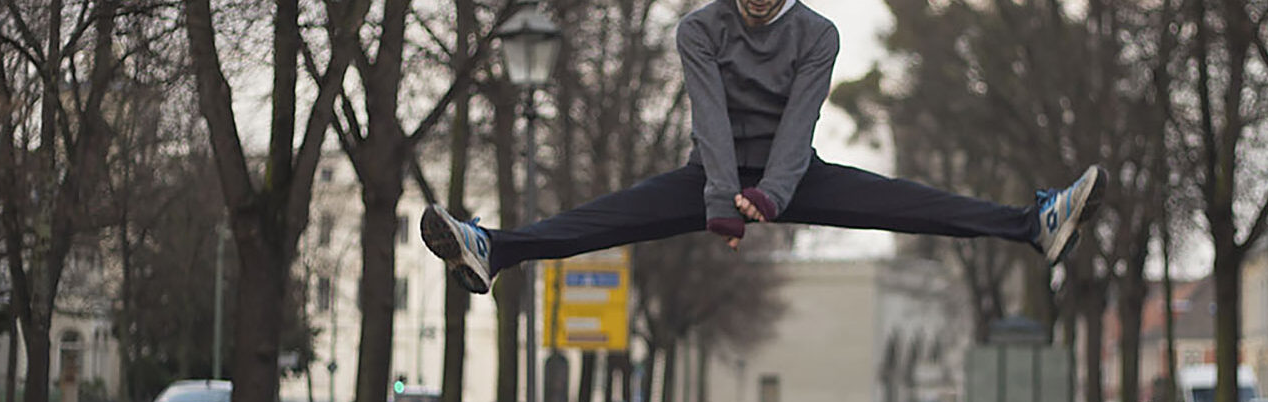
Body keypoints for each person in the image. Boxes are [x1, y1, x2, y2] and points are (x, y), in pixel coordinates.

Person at [419, 0, 1103, 294]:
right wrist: (723, 198)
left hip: (793, 171)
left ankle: (1033, 225)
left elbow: (798, 126)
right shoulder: (700, 30)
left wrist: (770, 195)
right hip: (713, 172)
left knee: (910, 203)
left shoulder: (818, 36)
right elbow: (710, 118)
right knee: (607, 216)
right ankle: (495, 248)